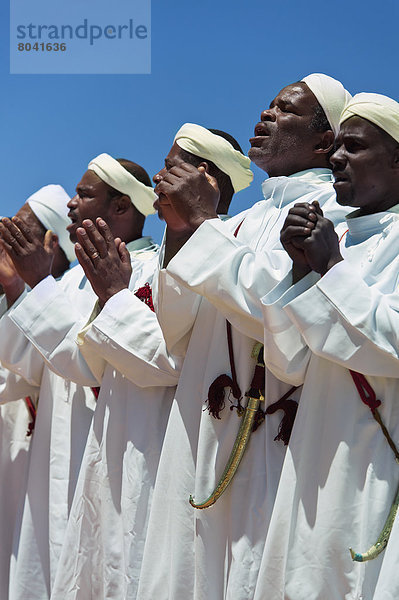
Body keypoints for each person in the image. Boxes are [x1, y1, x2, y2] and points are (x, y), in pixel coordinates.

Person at [135, 74, 351, 599]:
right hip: (209, 435)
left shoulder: (336, 215)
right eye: (267, 105)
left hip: (281, 440)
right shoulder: (240, 223)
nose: (265, 115)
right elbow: (175, 330)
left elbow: (283, 316)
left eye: (285, 110)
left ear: (325, 141)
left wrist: (205, 223)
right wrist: (185, 231)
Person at [39, 127, 253, 599]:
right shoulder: (144, 262)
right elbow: (89, 361)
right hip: (114, 442)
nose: (160, 176)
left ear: (205, 177)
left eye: (174, 164)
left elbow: (165, 362)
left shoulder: (232, 249)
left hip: (166, 444)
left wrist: (114, 296)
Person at [259, 92, 399, 599]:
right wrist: (300, 271)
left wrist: (332, 271)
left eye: (355, 147)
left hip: (374, 462)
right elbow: (290, 365)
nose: (336, 157)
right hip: (313, 459)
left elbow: (392, 345)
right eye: (335, 146)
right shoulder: (337, 233)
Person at [0, 158, 157, 600]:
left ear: (123, 207)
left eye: (85, 195)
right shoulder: (68, 285)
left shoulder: (150, 271)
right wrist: (19, 289)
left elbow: (95, 364)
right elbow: (28, 368)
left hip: (112, 447)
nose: (73, 203)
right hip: (54, 458)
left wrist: (26, 287)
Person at [0, 185, 76, 600]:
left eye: (21, 231)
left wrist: (15, 289)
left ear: (52, 243)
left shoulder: (71, 297)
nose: (9, 237)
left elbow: (27, 370)